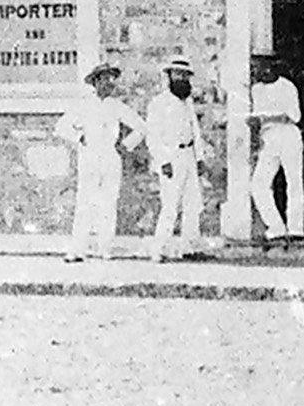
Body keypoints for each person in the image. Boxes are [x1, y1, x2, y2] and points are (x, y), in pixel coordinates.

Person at [57, 59, 146, 261]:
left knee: (108, 203)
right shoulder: (84, 105)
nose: (108, 83)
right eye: (104, 79)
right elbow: (61, 127)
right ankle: (77, 249)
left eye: (111, 79)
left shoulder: (117, 106)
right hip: (89, 156)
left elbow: (141, 127)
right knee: (85, 203)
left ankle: (105, 248)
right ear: (95, 82)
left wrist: (125, 145)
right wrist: (79, 137)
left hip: (110, 157)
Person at [146, 54, 209, 262]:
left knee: (193, 204)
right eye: (177, 74)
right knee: (170, 206)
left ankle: (189, 247)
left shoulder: (187, 102)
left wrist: (199, 157)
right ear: (169, 76)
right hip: (171, 157)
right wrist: (163, 161)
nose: (181, 78)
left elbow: (195, 130)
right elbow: (153, 136)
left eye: (185, 75)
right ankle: (159, 249)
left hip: (189, 155)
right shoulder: (159, 103)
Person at [247, 51, 304, 240]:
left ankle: (296, 228)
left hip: (288, 135)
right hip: (269, 138)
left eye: (260, 66)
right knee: (258, 184)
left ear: (270, 66)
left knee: (293, 182)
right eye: (255, 67)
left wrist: (266, 116)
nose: (257, 71)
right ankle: (276, 227)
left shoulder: (287, 87)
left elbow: (294, 116)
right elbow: (257, 118)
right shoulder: (256, 90)